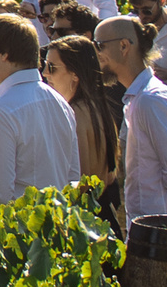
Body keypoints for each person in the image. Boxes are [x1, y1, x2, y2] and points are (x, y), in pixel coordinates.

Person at [0, 14, 82, 202]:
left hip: (21, 228)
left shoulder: (0, 112)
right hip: (60, 224)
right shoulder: (60, 102)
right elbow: (73, 179)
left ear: (4, 54)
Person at [101, 16, 167, 230]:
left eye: (100, 45)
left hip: (165, 233)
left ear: (124, 46)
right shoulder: (137, 97)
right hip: (150, 230)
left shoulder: (150, 100)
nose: (96, 53)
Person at [40, 34, 122, 221]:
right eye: (44, 65)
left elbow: (79, 181)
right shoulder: (98, 108)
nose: (44, 73)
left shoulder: (71, 114)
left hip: (82, 218)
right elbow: (110, 177)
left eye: (51, 67)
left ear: (75, 74)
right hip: (104, 212)